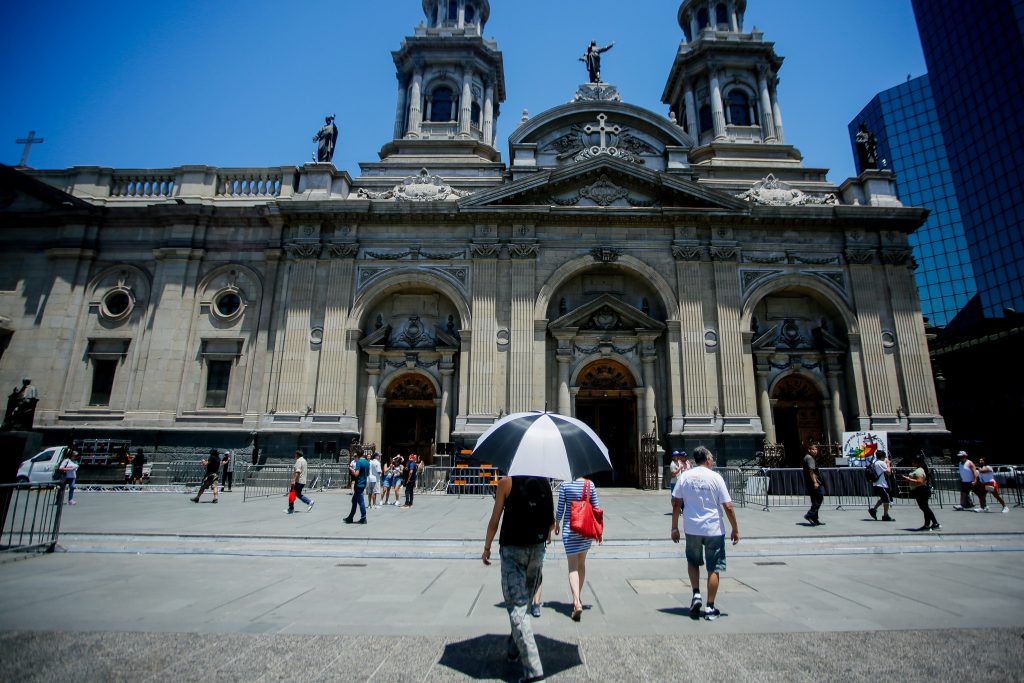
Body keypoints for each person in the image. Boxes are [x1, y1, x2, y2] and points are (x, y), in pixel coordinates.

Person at [482, 475, 555, 683]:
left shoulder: (506, 482)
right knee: (523, 606)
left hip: (513, 551)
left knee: (517, 608)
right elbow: (551, 523)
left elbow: (494, 521)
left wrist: (487, 547)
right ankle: (514, 649)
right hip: (537, 552)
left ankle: (534, 671)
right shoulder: (544, 483)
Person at [671, 446, 739, 621]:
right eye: (712, 458)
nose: (713, 461)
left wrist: (674, 527)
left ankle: (696, 594)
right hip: (713, 528)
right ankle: (710, 606)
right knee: (714, 567)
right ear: (708, 459)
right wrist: (735, 529)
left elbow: (676, 502)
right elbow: (729, 506)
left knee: (693, 562)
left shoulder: (685, 476)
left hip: (692, 528)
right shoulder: (716, 477)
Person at [554, 476, 602, 621]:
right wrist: (599, 532)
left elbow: (560, 508)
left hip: (570, 531)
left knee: (572, 567)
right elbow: (596, 508)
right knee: (581, 564)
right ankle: (578, 598)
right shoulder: (590, 484)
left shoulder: (565, 485)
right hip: (586, 530)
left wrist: (557, 524)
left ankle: (576, 601)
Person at [901, 453, 940, 531]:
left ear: (916, 463)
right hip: (920, 490)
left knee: (925, 508)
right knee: (924, 508)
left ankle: (934, 523)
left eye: (913, 462)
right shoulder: (920, 470)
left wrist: (908, 479)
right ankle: (927, 524)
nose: (912, 463)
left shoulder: (919, 471)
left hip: (921, 490)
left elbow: (919, 481)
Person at [867, 451, 894, 521]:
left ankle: (874, 509)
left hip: (876, 484)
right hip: (881, 484)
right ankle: (885, 515)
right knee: (886, 500)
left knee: (883, 498)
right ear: (882, 457)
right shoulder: (881, 463)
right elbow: (888, 472)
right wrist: (888, 464)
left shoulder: (875, 462)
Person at [344, 449, 369, 524]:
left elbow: (356, 474)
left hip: (359, 484)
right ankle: (350, 517)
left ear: (358, 455)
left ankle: (363, 518)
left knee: (361, 502)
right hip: (363, 483)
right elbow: (368, 473)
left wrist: (351, 469)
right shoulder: (367, 462)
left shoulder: (359, 462)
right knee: (354, 500)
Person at [802, 444, 825, 526]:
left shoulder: (808, 458)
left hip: (810, 482)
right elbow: (811, 471)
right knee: (819, 497)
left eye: (816, 449)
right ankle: (810, 514)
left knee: (815, 500)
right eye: (813, 449)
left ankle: (815, 518)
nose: (815, 451)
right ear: (809, 450)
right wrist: (815, 482)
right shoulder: (809, 458)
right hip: (814, 482)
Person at [287, 450, 314, 514]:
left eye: (295, 454)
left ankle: (291, 509)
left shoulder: (299, 461)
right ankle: (309, 502)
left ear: (297, 455)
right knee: (297, 494)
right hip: (303, 481)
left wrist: (294, 480)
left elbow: (298, 471)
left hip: (298, 481)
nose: (294, 456)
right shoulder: (304, 460)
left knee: (292, 494)